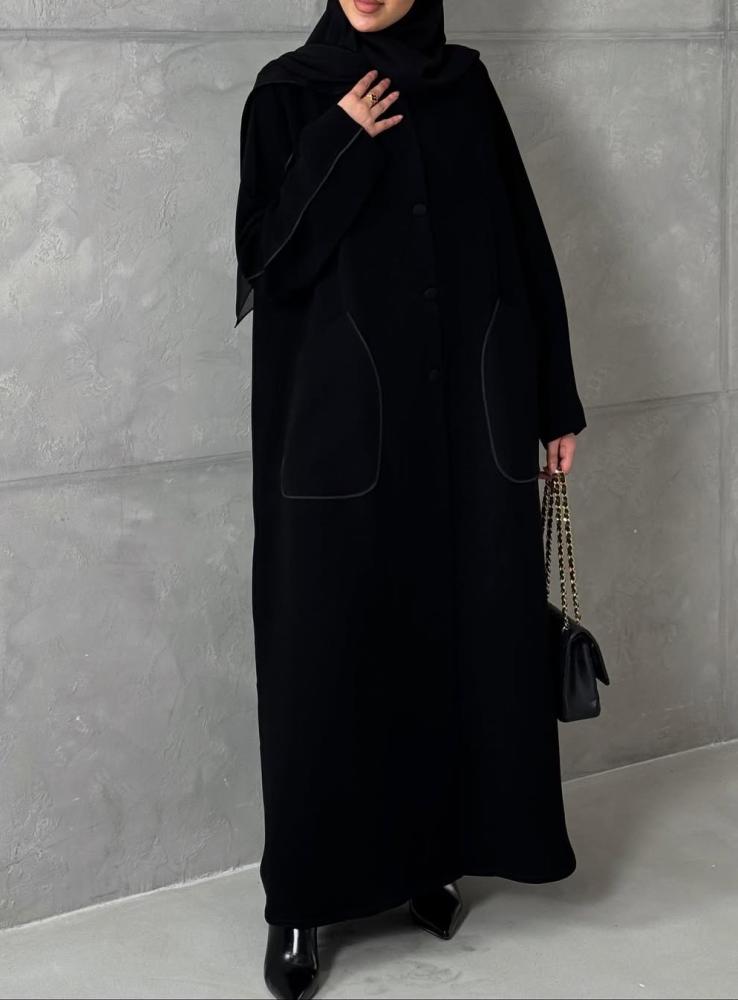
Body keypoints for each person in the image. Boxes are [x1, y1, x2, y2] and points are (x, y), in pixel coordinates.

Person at [234, 1, 587, 997]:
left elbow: (522, 245)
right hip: (338, 437)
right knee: (326, 655)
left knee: (453, 644)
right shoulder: (289, 93)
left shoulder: (464, 88)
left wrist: (553, 402)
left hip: (467, 427)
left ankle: (430, 856)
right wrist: (339, 138)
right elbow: (265, 263)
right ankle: (302, 899)